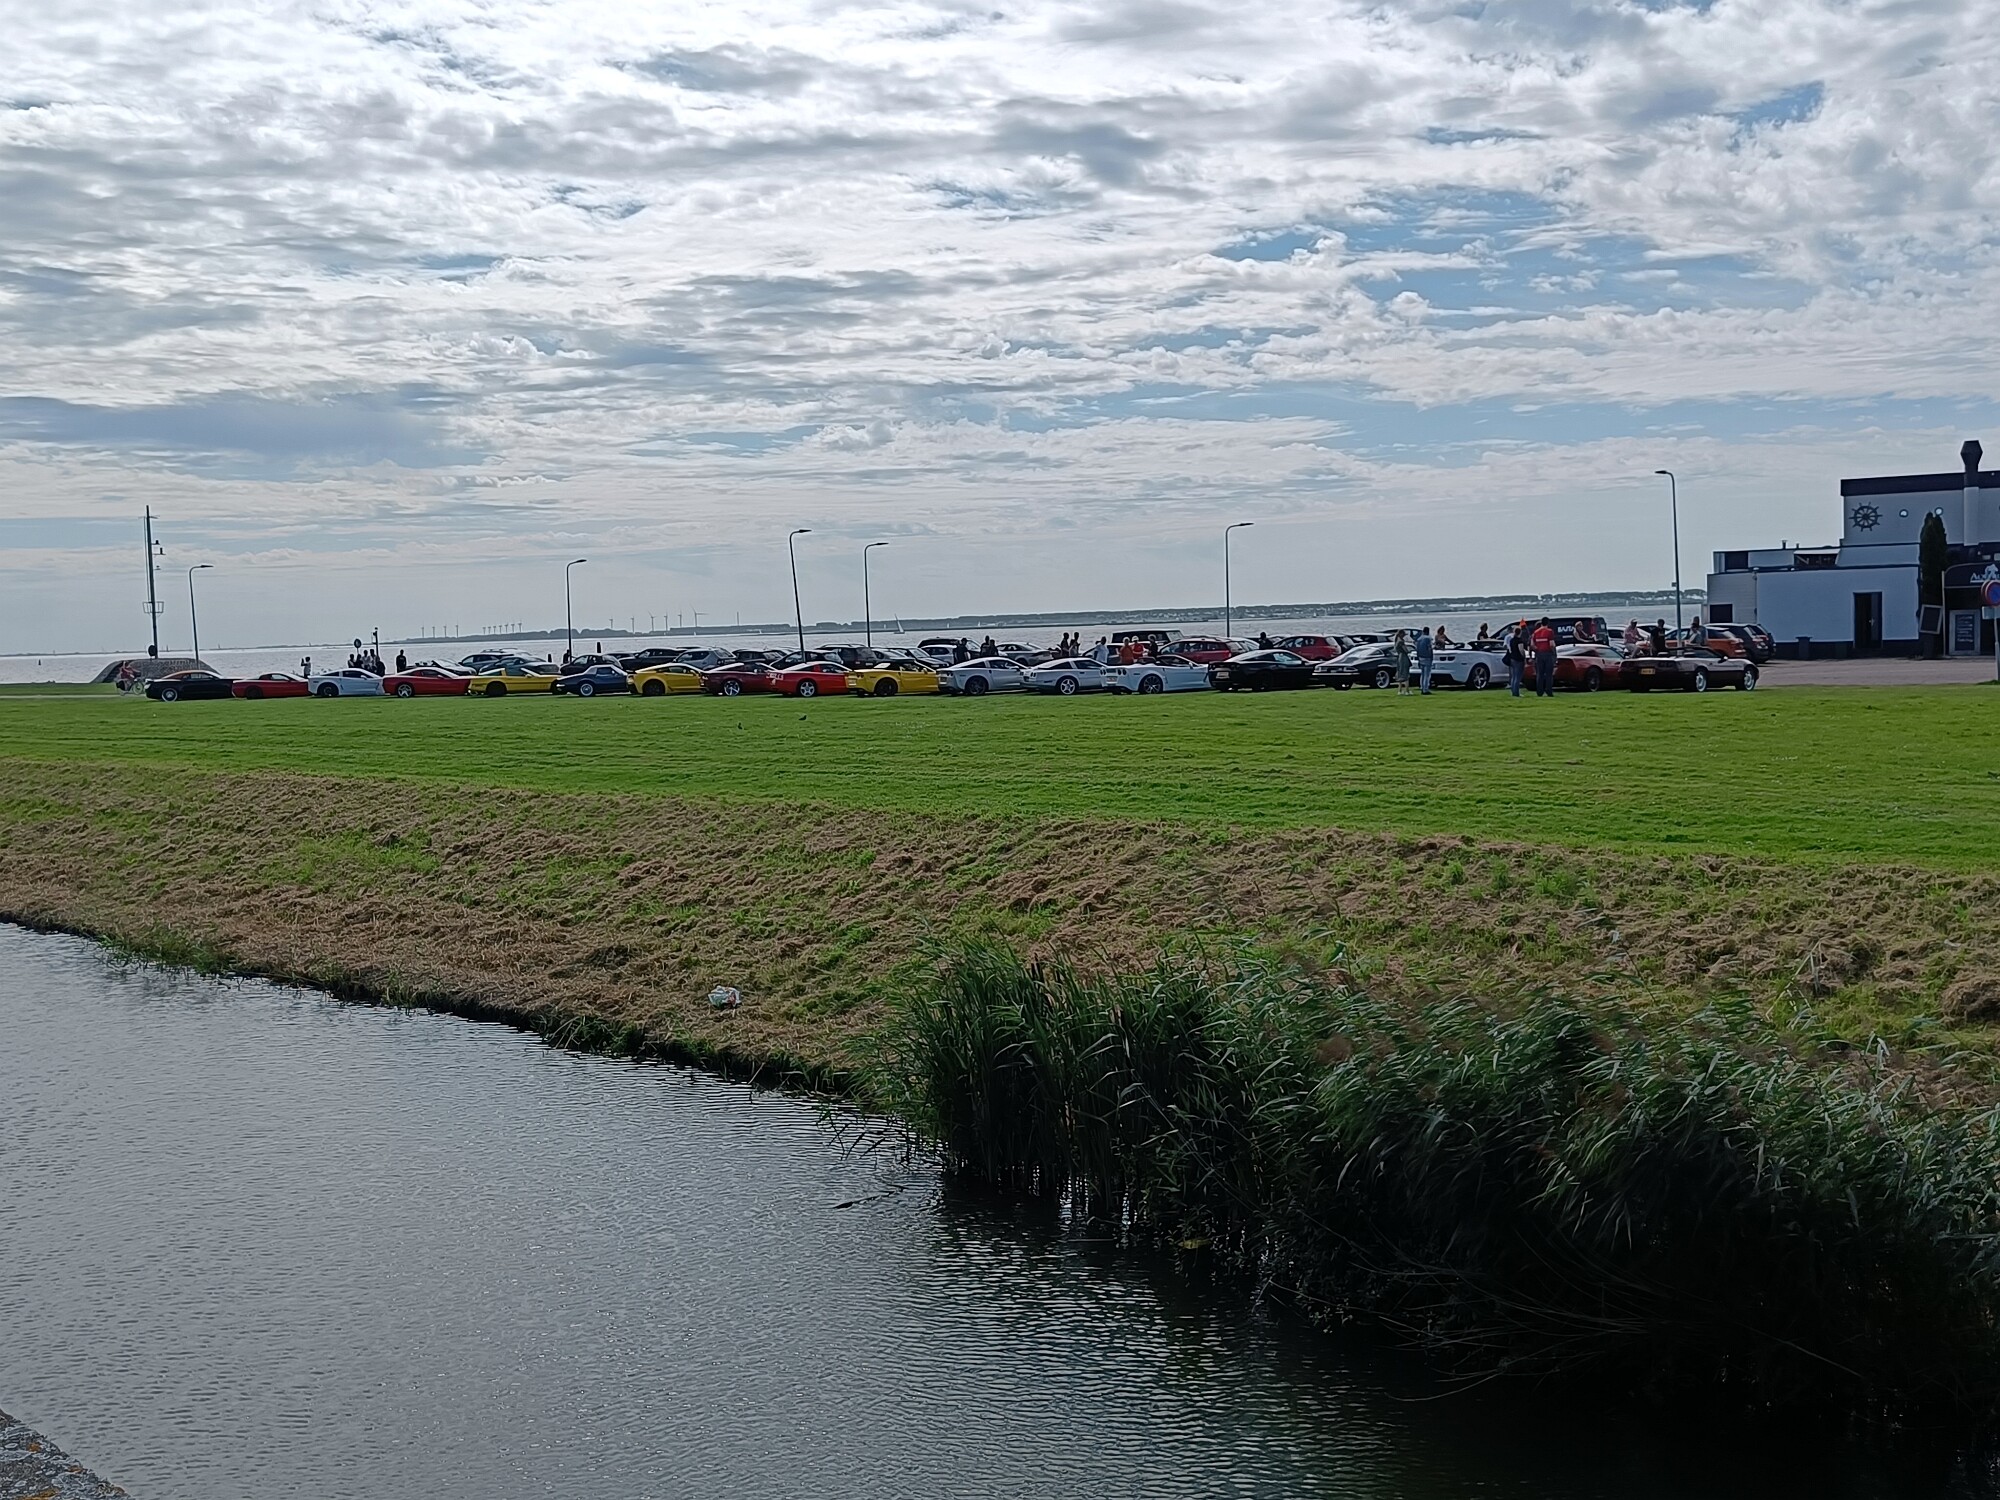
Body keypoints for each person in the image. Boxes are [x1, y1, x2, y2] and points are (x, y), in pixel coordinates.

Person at [1531, 617, 1558, 696]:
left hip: (1539, 654)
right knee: (1549, 674)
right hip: (1548, 654)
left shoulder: (1536, 632)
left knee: (1540, 674)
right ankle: (1549, 691)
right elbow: (1551, 644)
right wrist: (1554, 653)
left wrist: (1537, 650)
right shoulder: (1549, 631)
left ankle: (1539, 692)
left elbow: (1532, 645)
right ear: (1548, 623)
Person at [1502, 626, 1525, 697]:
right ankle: (1516, 692)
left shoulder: (1512, 640)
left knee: (1513, 676)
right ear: (1520, 632)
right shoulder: (1519, 640)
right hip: (1518, 659)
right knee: (1518, 677)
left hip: (1512, 659)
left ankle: (1513, 691)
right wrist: (1524, 657)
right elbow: (1521, 650)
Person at [1413, 624, 1434, 694]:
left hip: (1420, 657)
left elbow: (1417, 649)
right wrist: (1431, 657)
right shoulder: (1428, 639)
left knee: (1422, 674)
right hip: (1427, 658)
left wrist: (1418, 658)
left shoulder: (1419, 639)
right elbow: (1429, 649)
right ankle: (1425, 689)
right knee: (1427, 675)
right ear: (1428, 631)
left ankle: (1422, 687)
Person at [1393, 630, 1413, 695]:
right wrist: (1409, 650)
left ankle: (1400, 690)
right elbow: (1406, 650)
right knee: (1406, 674)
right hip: (1403, 658)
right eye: (1403, 634)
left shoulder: (1396, 641)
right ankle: (1407, 690)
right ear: (1401, 634)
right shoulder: (1401, 642)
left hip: (1399, 658)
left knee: (1400, 673)